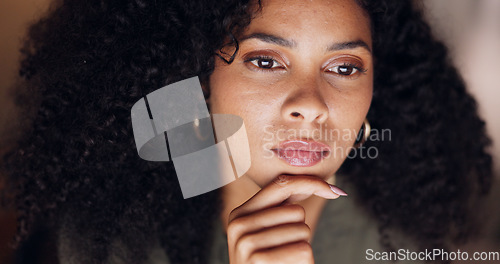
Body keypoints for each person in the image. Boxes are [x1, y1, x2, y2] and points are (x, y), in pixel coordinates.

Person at [1, 0, 493, 263]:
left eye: (344, 67)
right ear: (198, 83)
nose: (310, 105)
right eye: (265, 60)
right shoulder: (109, 237)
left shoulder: (409, 234)